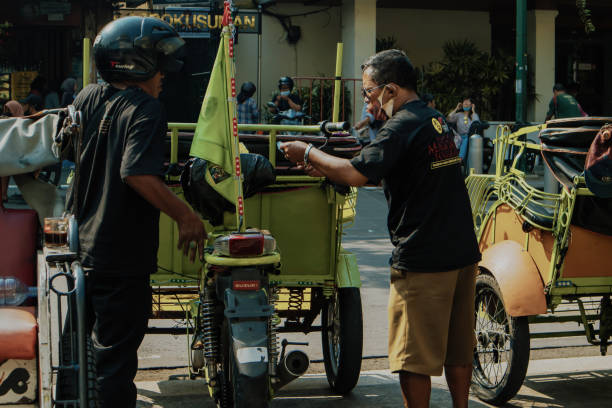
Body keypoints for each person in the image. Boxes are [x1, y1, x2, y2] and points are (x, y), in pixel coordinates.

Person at [280, 49, 481, 408]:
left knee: (412, 357)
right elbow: (397, 174)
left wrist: (308, 153)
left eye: (369, 93)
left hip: (424, 256)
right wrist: (329, 168)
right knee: (457, 348)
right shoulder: (433, 119)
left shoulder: (401, 124)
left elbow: (357, 172)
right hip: (462, 251)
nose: (369, 102)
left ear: (390, 90)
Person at [62, 16, 207, 408]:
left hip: (80, 252)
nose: (164, 74)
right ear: (135, 63)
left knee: (74, 359)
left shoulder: (87, 96)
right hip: (121, 258)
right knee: (114, 364)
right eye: (158, 64)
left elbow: (64, 150)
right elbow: (138, 174)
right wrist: (186, 215)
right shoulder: (145, 109)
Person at [1, 101, 25, 202]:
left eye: (8, 110)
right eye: (5, 109)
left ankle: (3, 194)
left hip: (18, 154)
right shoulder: (6, 120)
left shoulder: (23, 122)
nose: (6, 112)